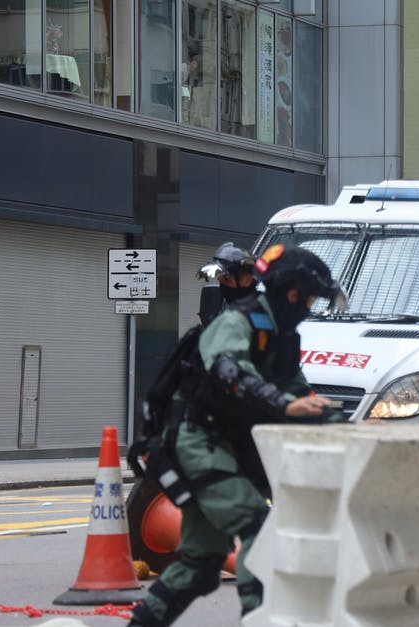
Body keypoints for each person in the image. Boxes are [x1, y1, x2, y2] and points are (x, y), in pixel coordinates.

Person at [128, 244, 341, 626]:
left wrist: (343, 424)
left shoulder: (282, 337)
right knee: (258, 528)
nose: (310, 306)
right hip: (200, 444)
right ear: (291, 292)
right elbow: (230, 373)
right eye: (309, 297)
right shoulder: (236, 323)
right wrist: (281, 404)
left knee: (202, 564)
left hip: (230, 449)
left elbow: (298, 395)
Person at [196, 242, 257, 325]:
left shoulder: (267, 314)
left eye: (227, 280)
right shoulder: (225, 319)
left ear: (246, 279)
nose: (223, 288)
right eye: (220, 282)